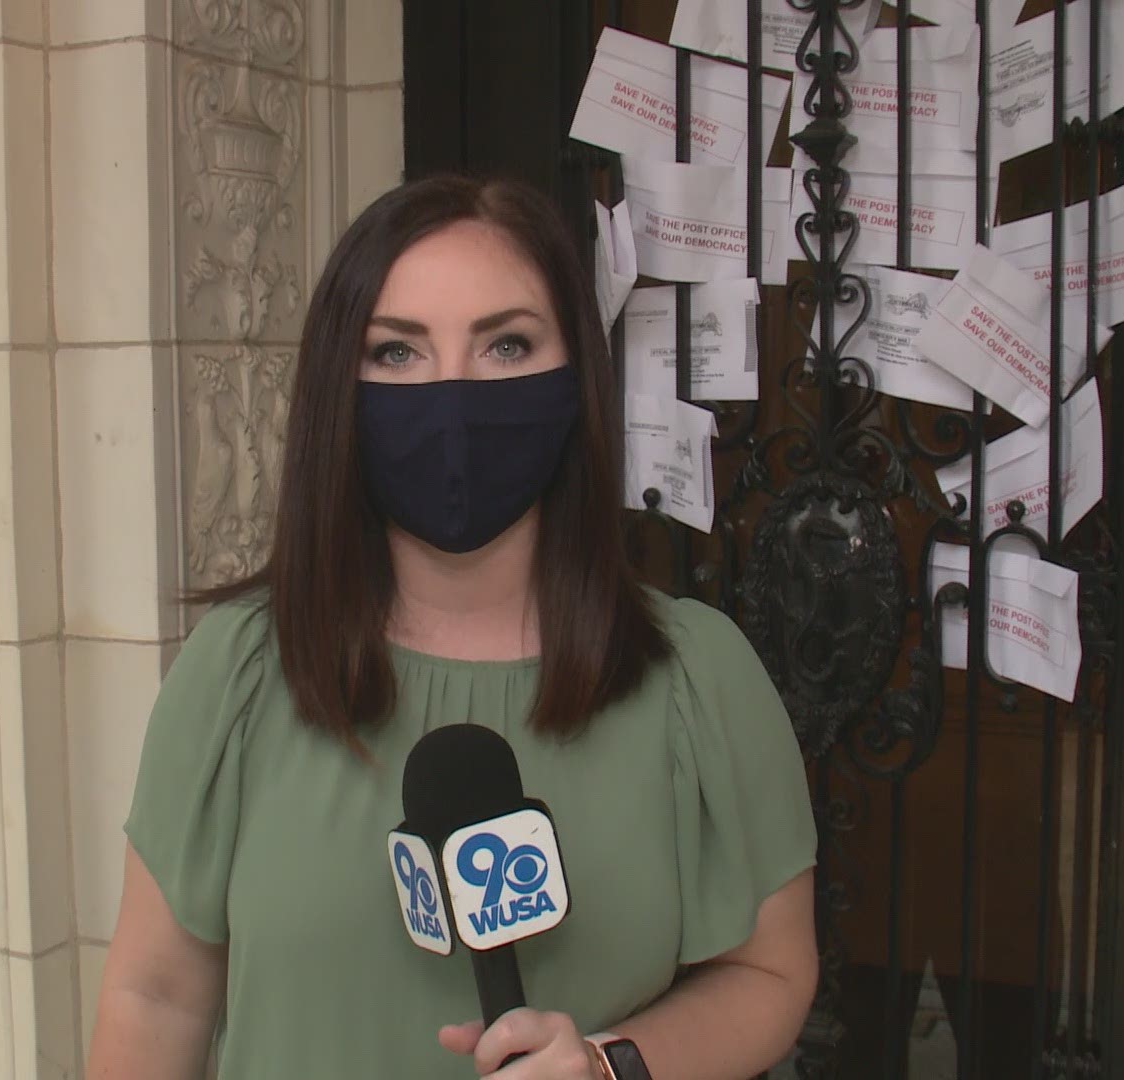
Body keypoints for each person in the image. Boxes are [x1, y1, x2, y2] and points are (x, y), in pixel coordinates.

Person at [85, 175, 818, 1080]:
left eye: (507, 344)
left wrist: (608, 1065)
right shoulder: (236, 673)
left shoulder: (698, 679)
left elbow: (770, 973)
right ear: (337, 390)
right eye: (397, 354)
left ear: (576, 375)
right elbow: (153, 997)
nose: (453, 398)